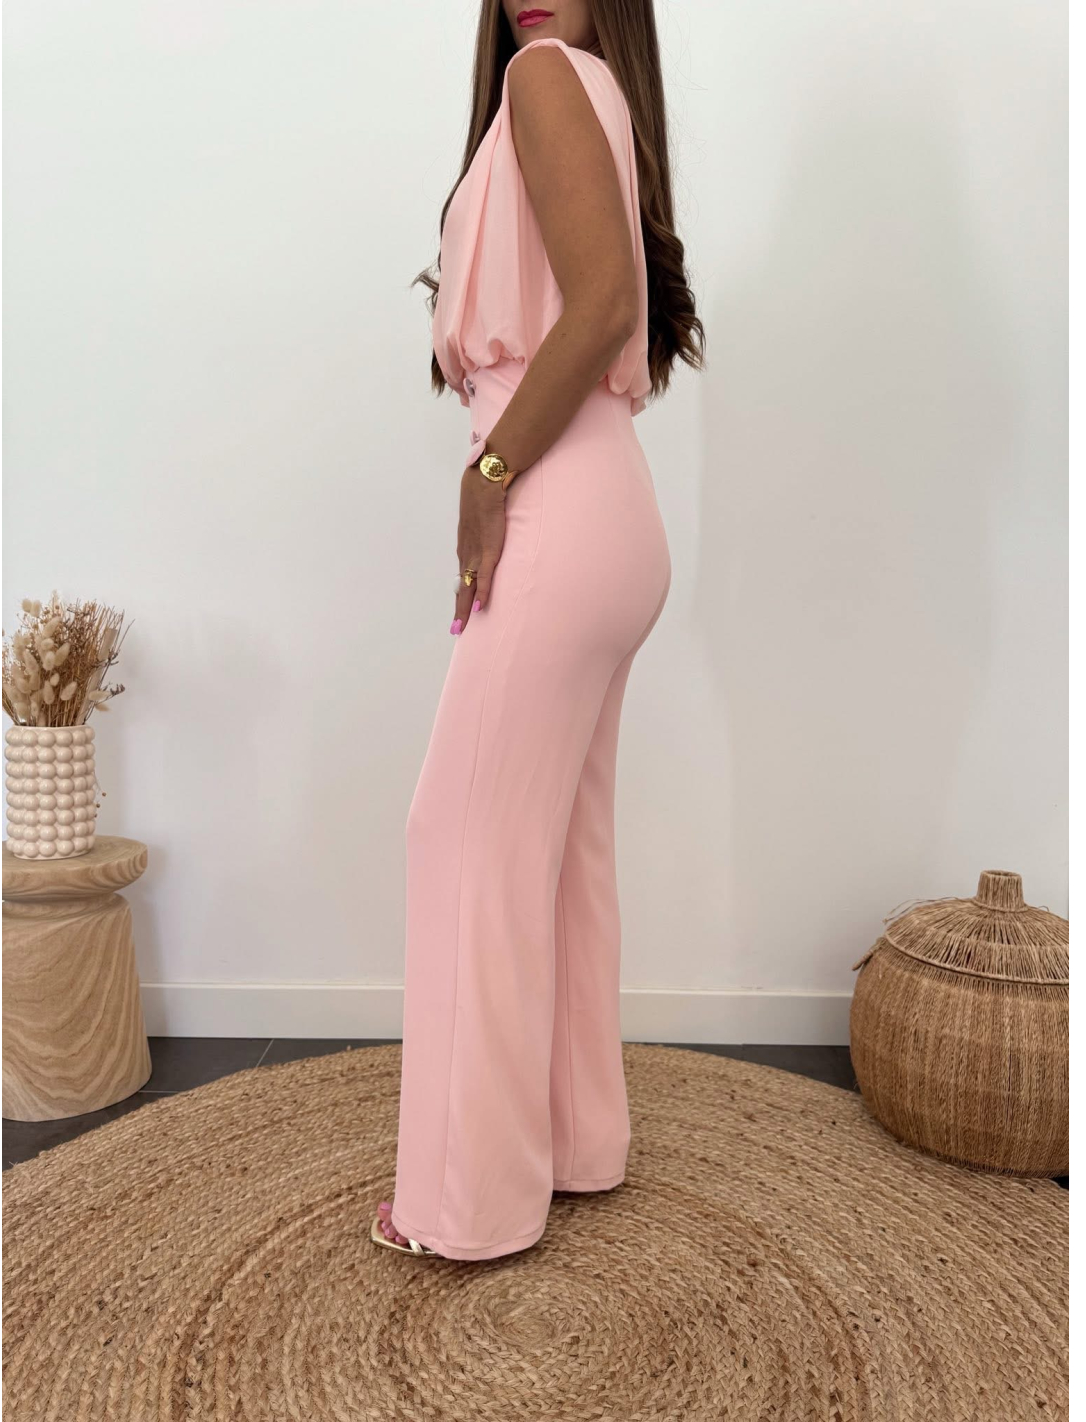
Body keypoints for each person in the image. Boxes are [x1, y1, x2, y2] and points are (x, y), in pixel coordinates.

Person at [372, 0, 704, 1261]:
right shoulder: (599, 95)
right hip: (613, 512)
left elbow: (604, 301)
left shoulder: (549, 78)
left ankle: (467, 1205)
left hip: (556, 505)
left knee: (458, 832)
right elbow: (611, 297)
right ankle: (575, 1143)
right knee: (559, 848)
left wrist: (490, 472)